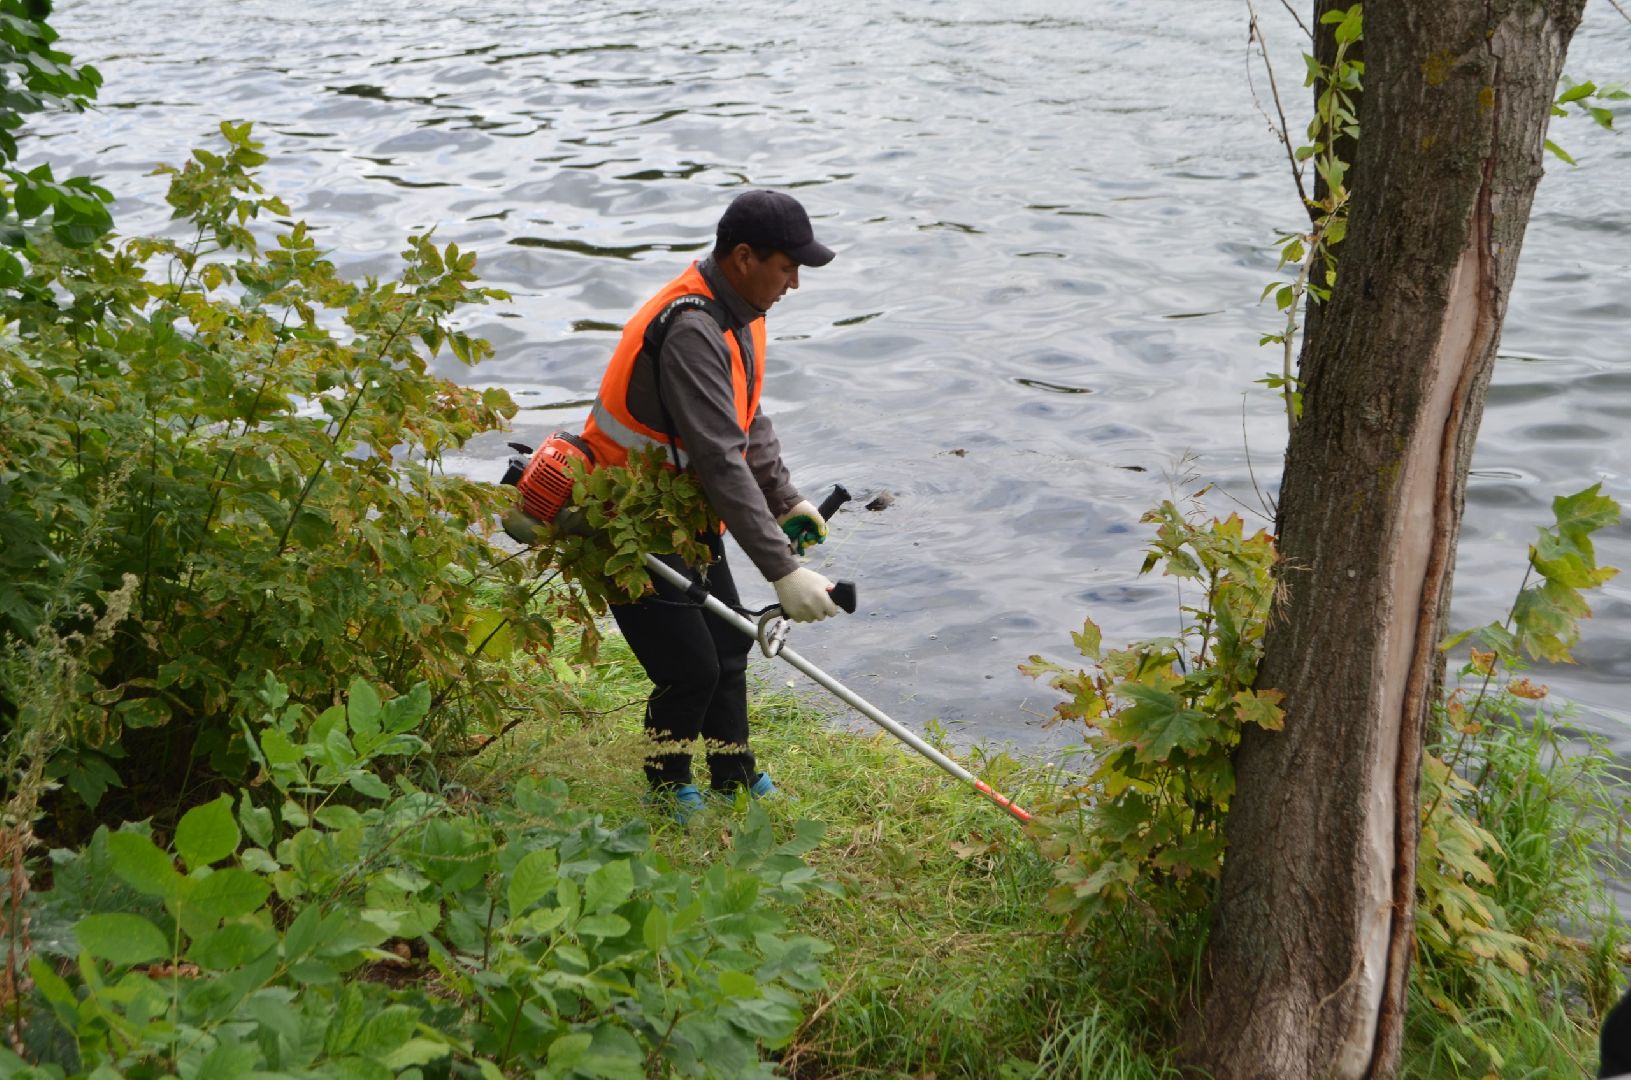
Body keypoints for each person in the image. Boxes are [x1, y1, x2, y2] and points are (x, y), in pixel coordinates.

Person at [576, 190, 842, 821]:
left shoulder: (739, 311)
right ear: (745, 257)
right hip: (626, 522)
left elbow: (746, 418)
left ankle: (733, 774)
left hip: (679, 515)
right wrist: (783, 569)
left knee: (728, 642)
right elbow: (720, 457)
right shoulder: (694, 327)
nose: (795, 283)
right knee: (690, 666)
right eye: (788, 267)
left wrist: (785, 498)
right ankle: (667, 789)